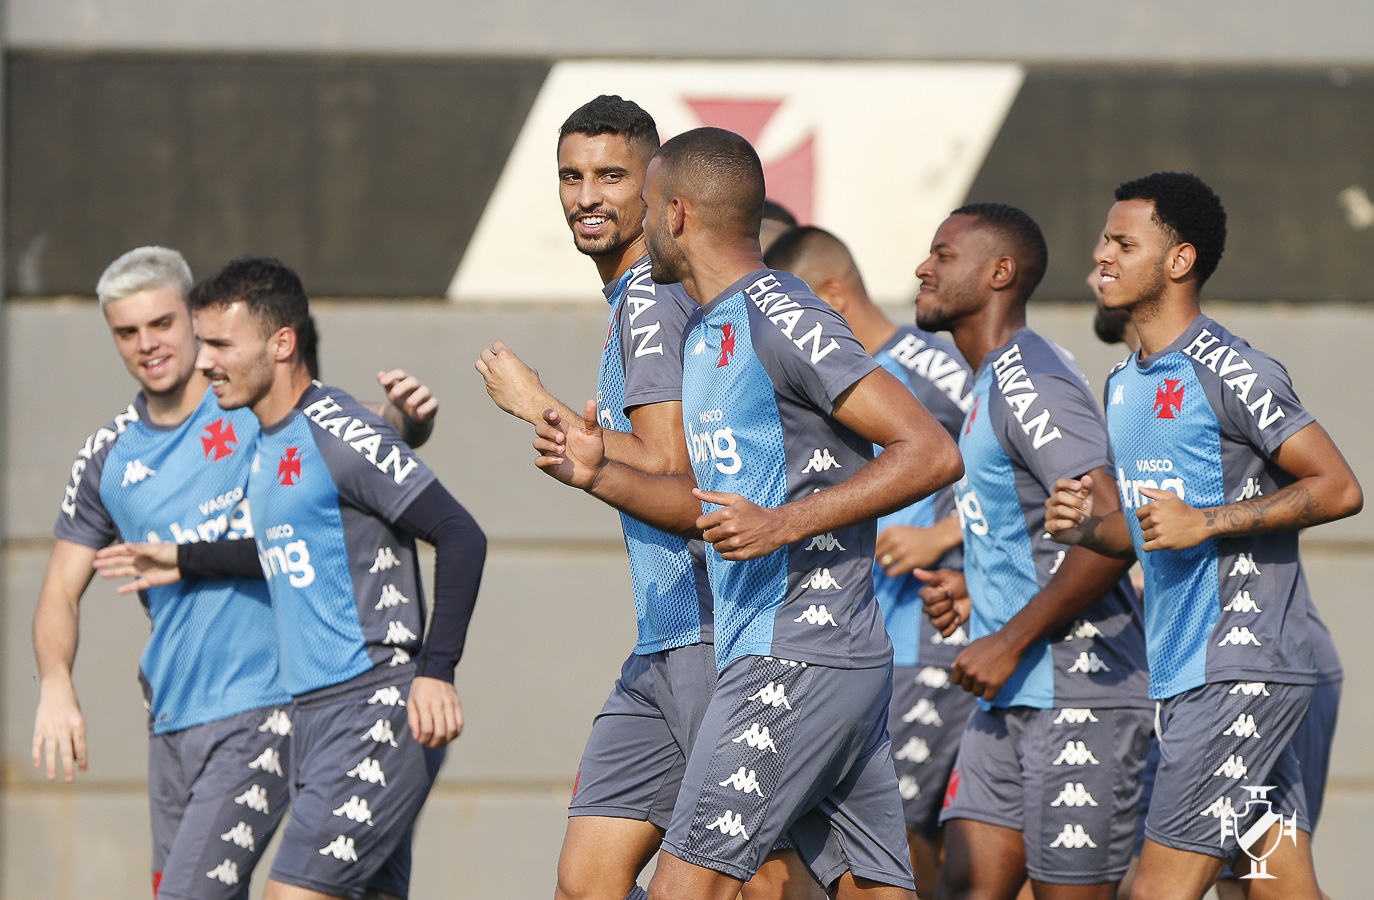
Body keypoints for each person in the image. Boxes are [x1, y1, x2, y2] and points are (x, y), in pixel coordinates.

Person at [534, 125, 963, 900]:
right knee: (872, 890)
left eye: (648, 205)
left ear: (676, 214)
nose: (640, 225)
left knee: (690, 888)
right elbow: (705, 504)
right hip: (782, 650)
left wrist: (783, 524)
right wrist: (599, 472)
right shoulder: (710, 329)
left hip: (800, 651)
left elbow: (930, 451)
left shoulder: (781, 312)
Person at [475, 94, 816, 900]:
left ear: (656, 190)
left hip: (714, 627)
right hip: (663, 640)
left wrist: (536, 405)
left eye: (611, 176)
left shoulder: (650, 299)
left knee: (762, 873)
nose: (587, 196)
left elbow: (674, 466)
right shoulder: (639, 297)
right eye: (572, 176)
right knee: (587, 881)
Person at [32, 246, 439, 900]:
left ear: (195, 320)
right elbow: (59, 588)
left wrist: (406, 421)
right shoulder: (108, 456)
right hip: (172, 717)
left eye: (162, 323)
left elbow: (354, 433)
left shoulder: (249, 402)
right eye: (127, 332)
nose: (147, 344)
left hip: (266, 706)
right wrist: (55, 682)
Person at [1045, 172, 1362, 900]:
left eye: (1124, 243)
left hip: (1240, 667)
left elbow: (1339, 487)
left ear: (1179, 260)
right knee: (1273, 886)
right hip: (1191, 669)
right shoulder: (1123, 382)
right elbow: (1147, 529)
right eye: (1103, 240)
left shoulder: (1234, 368)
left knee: (1158, 890)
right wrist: (1087, 529)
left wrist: (1206, 523)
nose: (1101, 256)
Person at [909, 204, 1152, 900]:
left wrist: (1008, 638)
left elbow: (1113, 532)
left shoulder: (1028, 378)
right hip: (1012, 696)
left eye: (944, 256)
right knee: (965, 886)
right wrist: (979, 589)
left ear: (1000, 273)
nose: (923, 268)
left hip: (1079, 692)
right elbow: (1042, 528)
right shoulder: (992, 380)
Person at [763, 225, 975, 899]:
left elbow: (1023, 468)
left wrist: (944, 535)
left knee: (905, 837)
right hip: (859, 640)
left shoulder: (927, 367)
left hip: (930, 634)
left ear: (831, 295)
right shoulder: (816, 379)